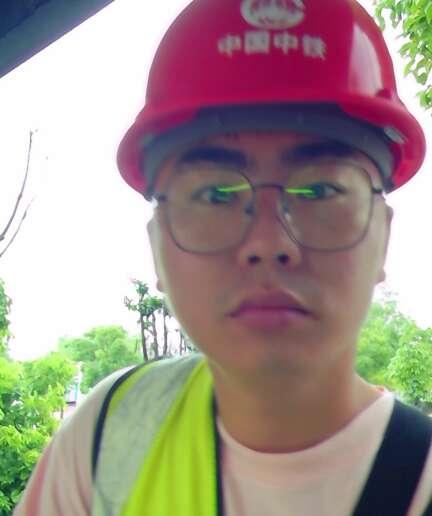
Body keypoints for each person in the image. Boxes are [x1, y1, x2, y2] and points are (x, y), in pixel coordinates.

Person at [14, 0, 432, 515]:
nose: (268, 243)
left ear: (383, 236)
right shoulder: (108, 439)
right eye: (215, 194)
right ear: (157, 246)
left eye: (320, 190)